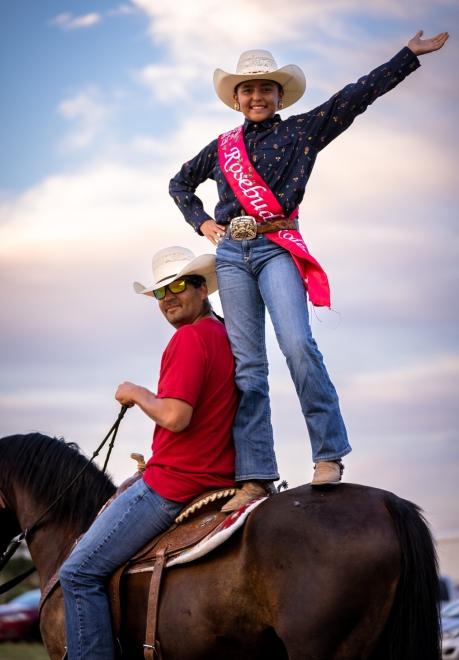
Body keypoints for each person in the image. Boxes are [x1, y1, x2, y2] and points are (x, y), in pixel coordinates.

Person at [169, 30, 449, 509]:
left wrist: (406, 57)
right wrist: (203, 225)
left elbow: (356, 96)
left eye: (265, 89)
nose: (256, 96)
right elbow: (180, 184)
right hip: (233, 256)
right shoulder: (220, 148)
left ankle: (328, 453)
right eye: (248, 90)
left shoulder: (302, 131)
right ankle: (255, 475)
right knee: (248, 368)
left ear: (279, 94)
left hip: (277, 246)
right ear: (236, 100)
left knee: (297, 344)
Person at [59, 246, 238, 660]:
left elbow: (175, 416)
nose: (169, 298)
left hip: (174, 483)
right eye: (161, 292)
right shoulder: (224, 334)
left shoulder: (189, 339)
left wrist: (136, 392)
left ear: (201, 287)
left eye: (178, 285)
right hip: (218, 476)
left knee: (78, 573)